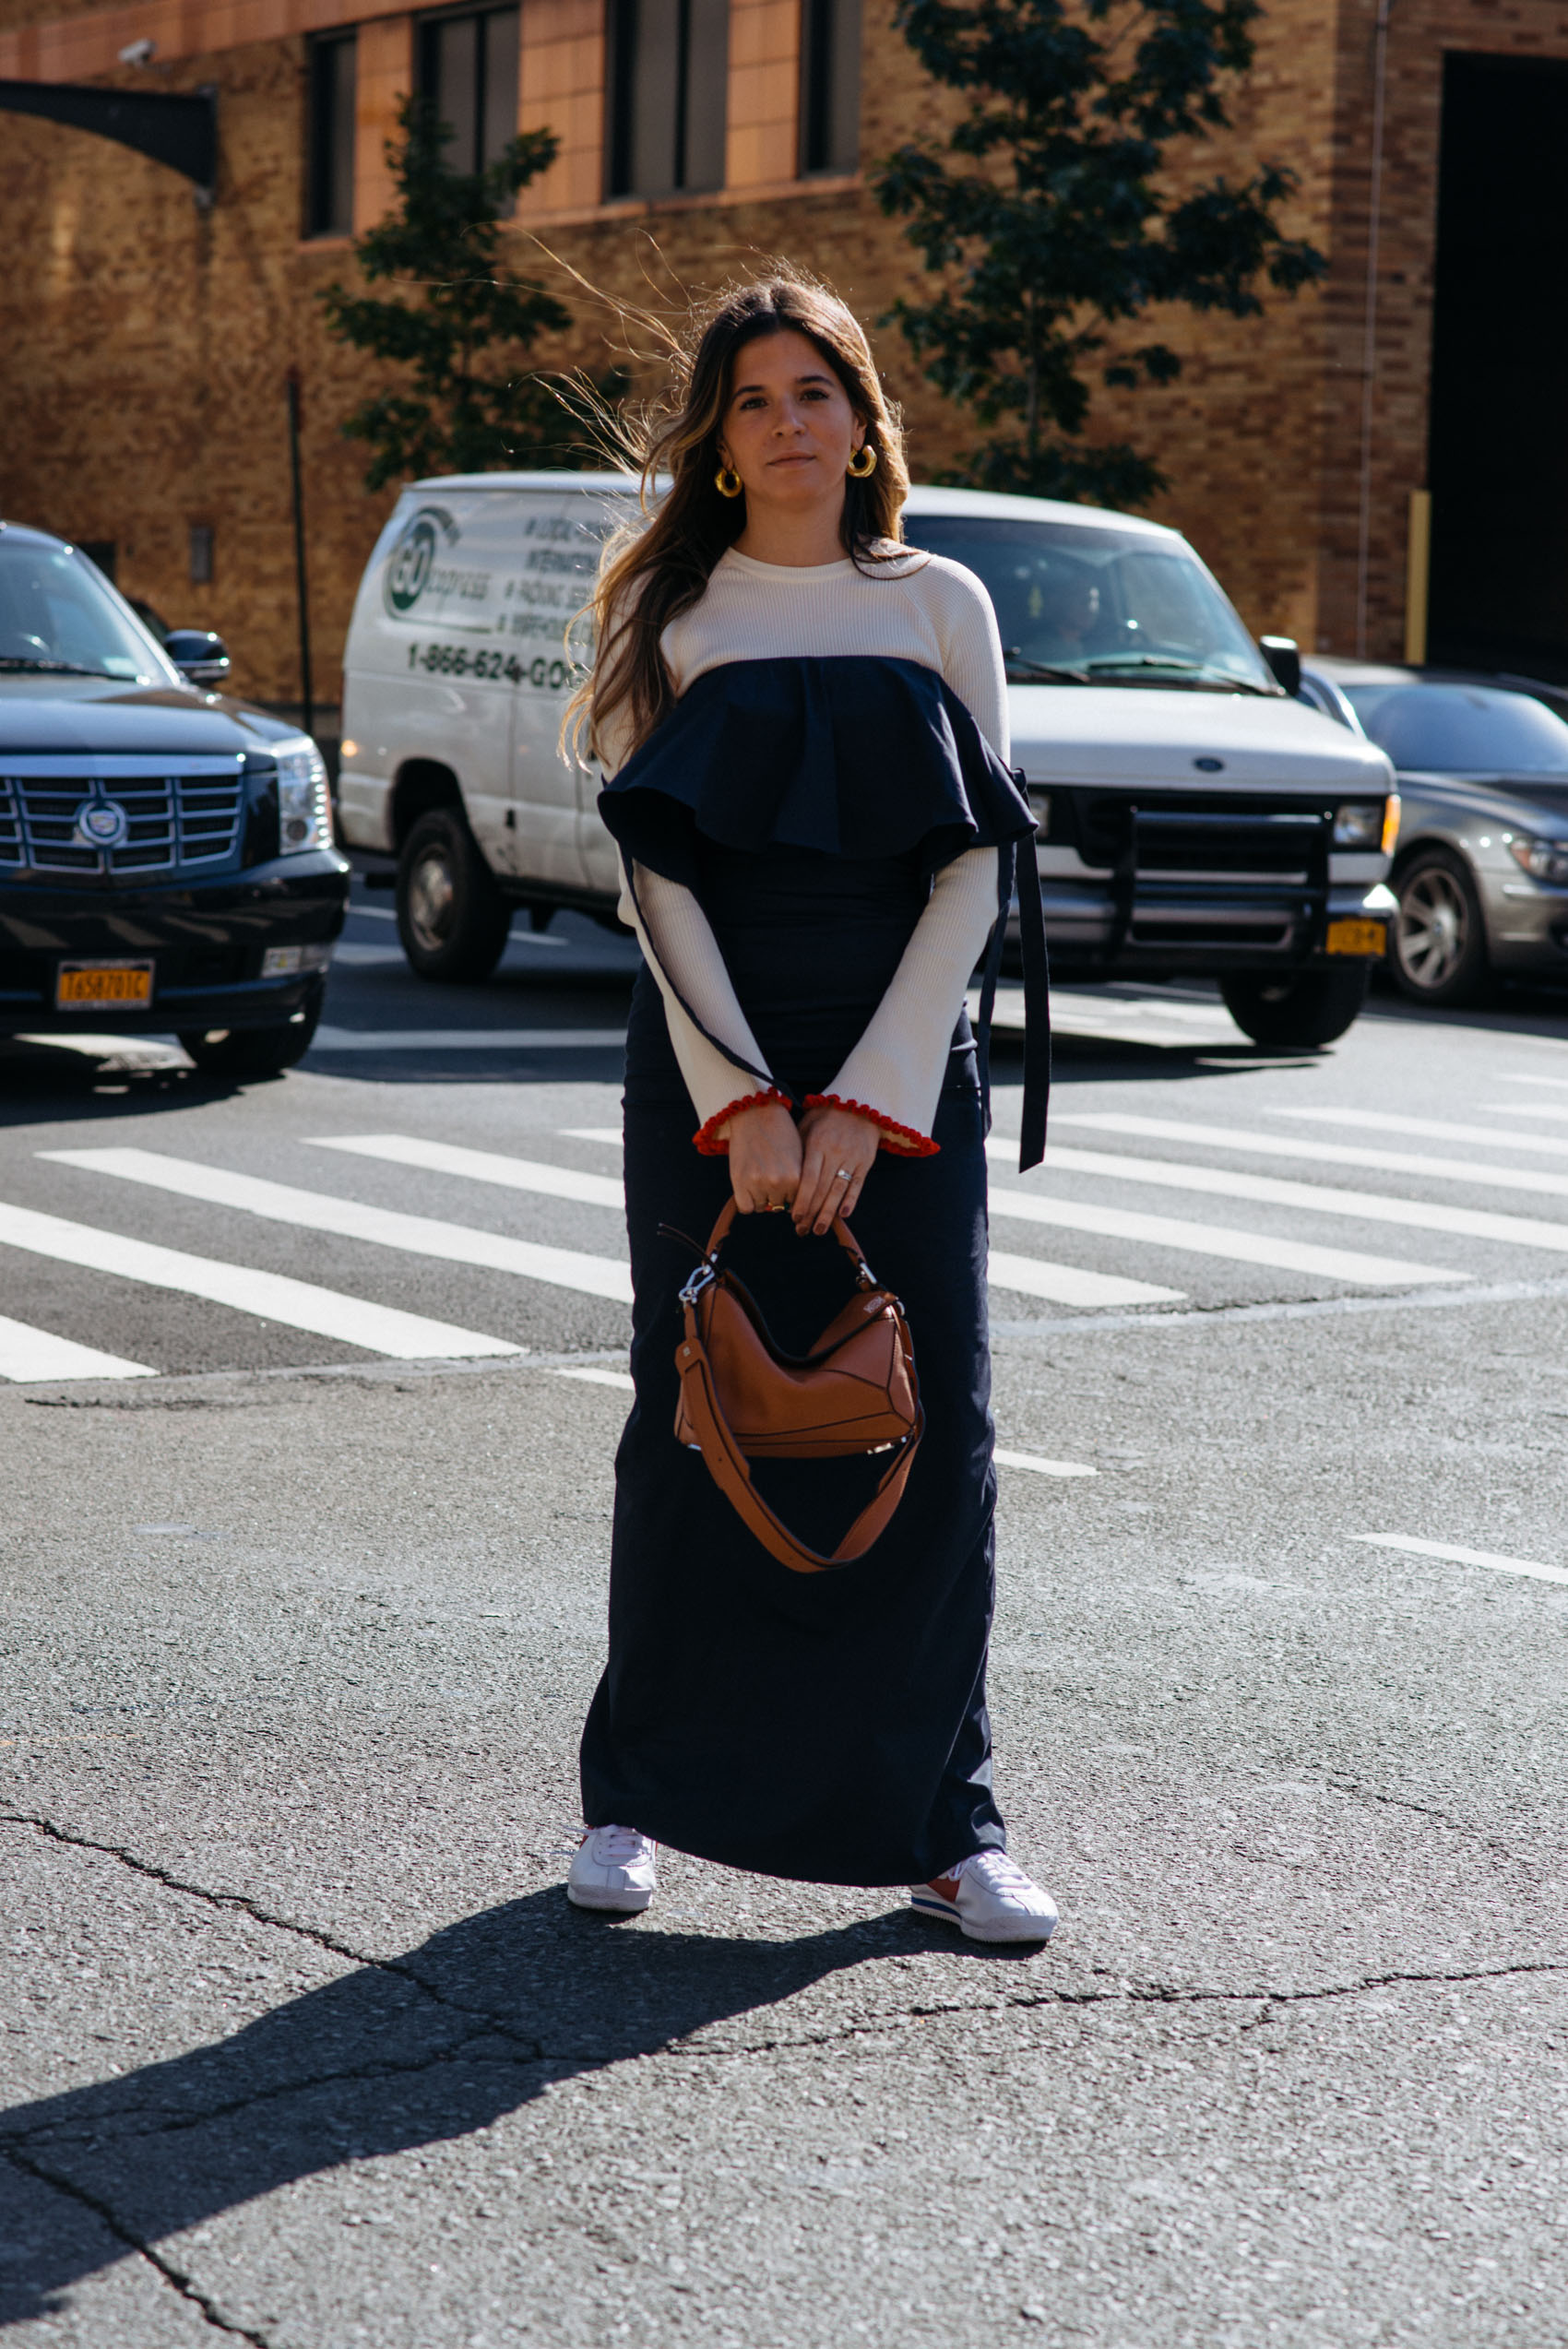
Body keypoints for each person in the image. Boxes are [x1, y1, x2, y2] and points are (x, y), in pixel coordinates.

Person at [562, 271, 1056, 1944]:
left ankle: (945, 1823)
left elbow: (978, 865)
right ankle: (638, 1795)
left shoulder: (941, 605)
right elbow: (654, 883)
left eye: (817, 393)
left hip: (902, 1067)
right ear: (717, 441)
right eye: (755, 399)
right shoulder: (675, 618)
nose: (788, 424)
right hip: (714, 1064)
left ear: (864, 424)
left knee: (938, 1431)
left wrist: (866, 1104)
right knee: (695, 1412)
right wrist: (750, 1106)